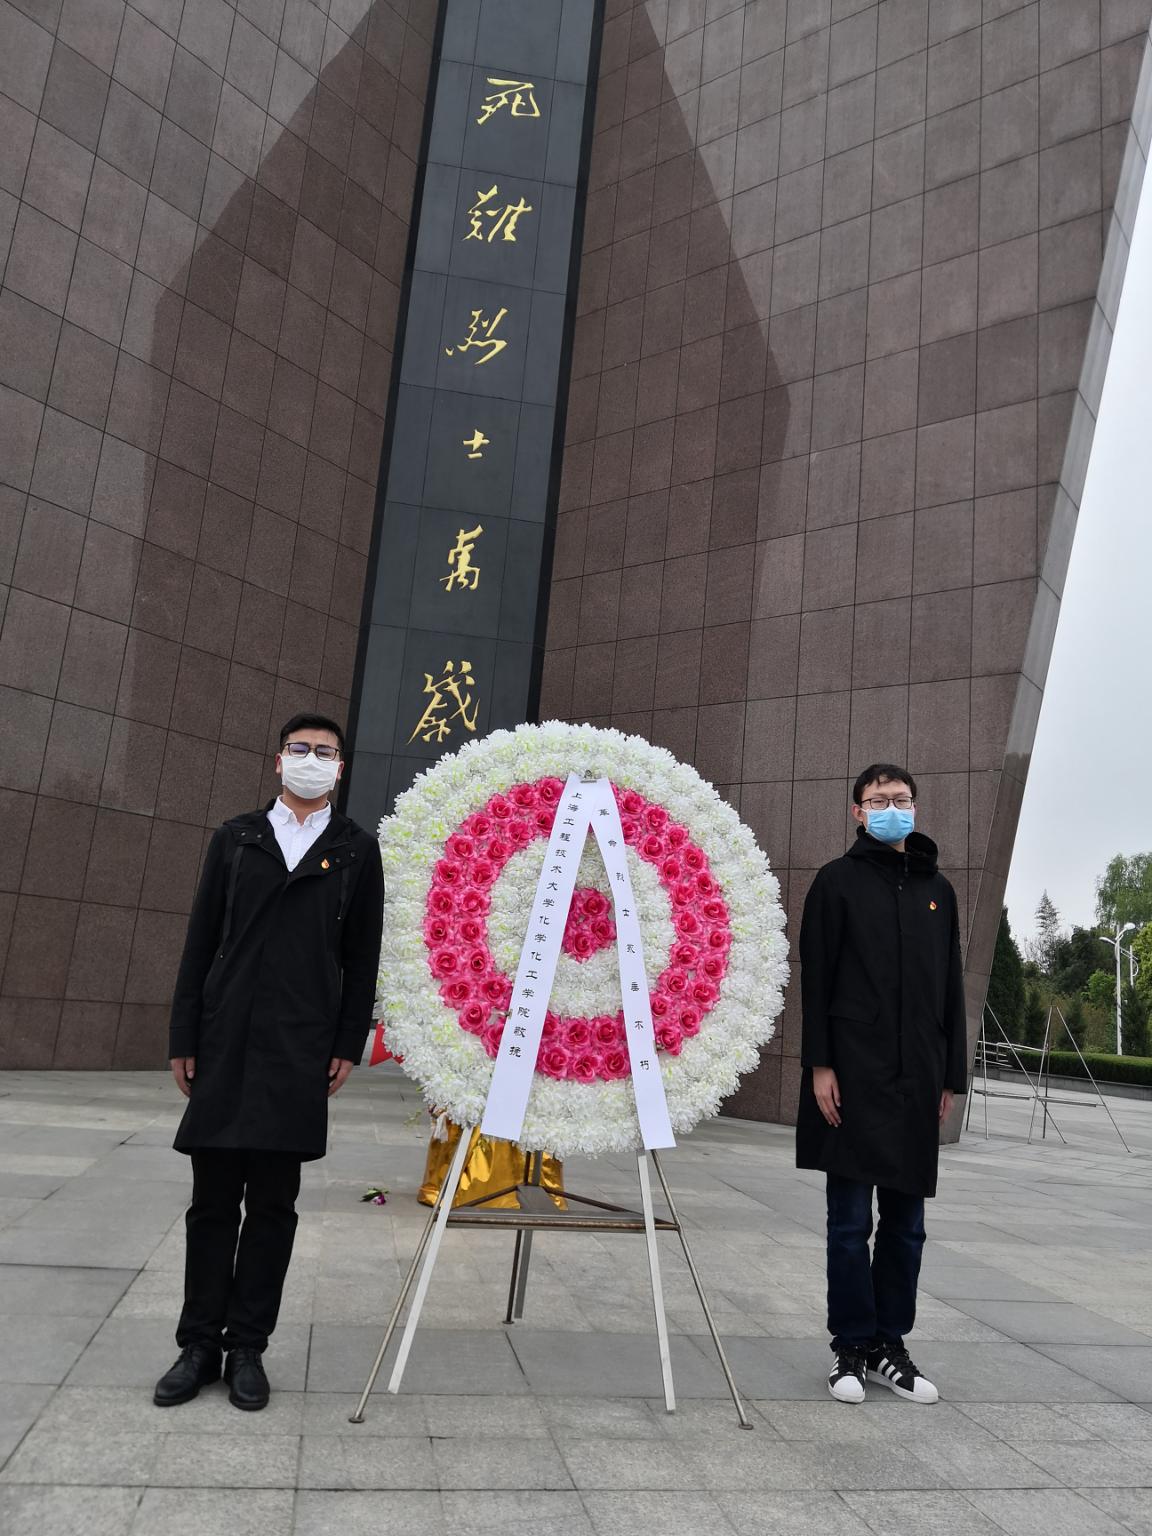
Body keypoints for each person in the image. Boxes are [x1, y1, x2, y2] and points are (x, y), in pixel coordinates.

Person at [153, 714, 384, 1412]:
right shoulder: (237, 838)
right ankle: (198, 1346)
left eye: (325, 752)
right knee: (213, 1204)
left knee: (274, 1206)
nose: (312, 759)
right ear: (279, 760)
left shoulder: (354, 849)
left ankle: (248, 1346)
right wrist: (185, 1033)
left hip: (298, 1046)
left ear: (340, 768)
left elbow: (361, 957)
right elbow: (201, 939)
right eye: (300, 748)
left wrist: (345, 1042)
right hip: (225, 1039)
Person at [796, 763, 967, 1405]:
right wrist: (821, 1065)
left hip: (917, 1077)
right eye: (877, 800)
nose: (891, 808)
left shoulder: (938, 890)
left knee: (906, 1226)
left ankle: (889, 1345)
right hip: (852, 1075)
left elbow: (950, 987)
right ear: (857, 812)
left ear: (915, 806)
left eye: (900, 799)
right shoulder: (835, 882)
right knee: (849, 1224)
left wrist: (949, 1076)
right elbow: (817, 978)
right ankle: (850, 1347)